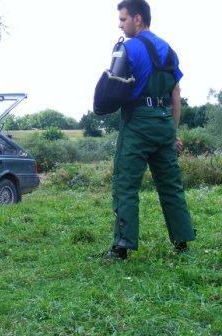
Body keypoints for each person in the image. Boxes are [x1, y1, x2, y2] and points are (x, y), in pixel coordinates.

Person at [106, 0, 196, 260]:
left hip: (138, 123)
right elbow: (175, 94)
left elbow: (114, 90)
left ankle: (122, 247)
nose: (120, 25)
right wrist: (172, 132)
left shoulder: (129, 48)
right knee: (171, 186)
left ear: (137, 19)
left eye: (123, 20)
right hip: (165, 121)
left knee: (126, 185)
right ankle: (182, 241)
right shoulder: (169, 50)